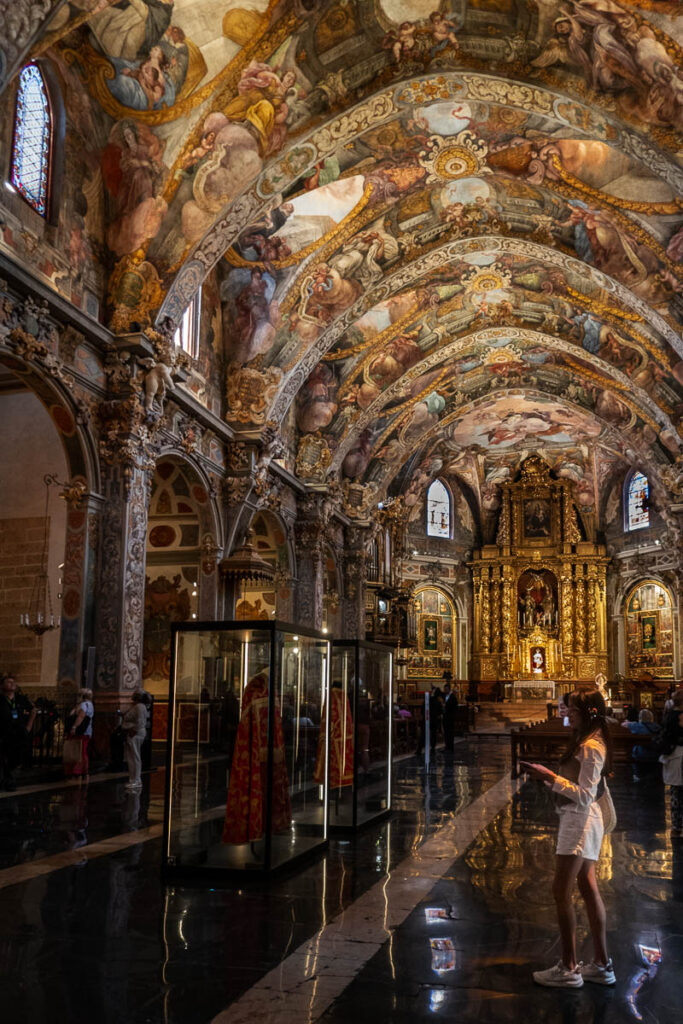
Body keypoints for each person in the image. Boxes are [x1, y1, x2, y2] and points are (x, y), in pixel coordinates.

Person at [523, 689, 615, 988]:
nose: (567, 712)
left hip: (580, 821)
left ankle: (569, 967)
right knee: (588, 888)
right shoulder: (591, 740)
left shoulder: (591, 746)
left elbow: (586, 796)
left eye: (572, 708)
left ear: (588, 712)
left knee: (560, 892)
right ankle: (601, 965)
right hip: (581, 821)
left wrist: (548, 776)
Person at [0, 674, 35, 789]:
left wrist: (28, 726)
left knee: (16, 758)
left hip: (19, 733)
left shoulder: (21, 699)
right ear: (2, 685)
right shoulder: (1, 699)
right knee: (4, 757)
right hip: (4, 733)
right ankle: (8, 782)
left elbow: (33, 710)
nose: (12, 683)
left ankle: (8, 779)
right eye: (9, 682)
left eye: (13, 681)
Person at [660, 689, 683, 838]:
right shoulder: (680, 717)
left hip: (672, 756)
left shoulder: (668, 716)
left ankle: (676, 827)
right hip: (680, 756)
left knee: (675, 792)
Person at [64, 688, 94, 778]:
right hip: (87, 731)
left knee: (78, 751)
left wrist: (74, 727)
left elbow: (80, 716)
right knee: (83, 751)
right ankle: (84, 770)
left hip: (80, 731)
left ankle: (77, 770)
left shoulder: (84, 705)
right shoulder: (90, 705)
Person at [122, 691, 147, 790]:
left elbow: (140, 721)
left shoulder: (139, 707)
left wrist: (134, 730)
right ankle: (133, 779)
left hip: (135, 733)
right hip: (134, 732)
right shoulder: (137, 706)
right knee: (132, 756)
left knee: (134, 756)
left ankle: (136, 780)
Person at [442, 680, 459, 753]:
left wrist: (446, 706)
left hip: (450, 718)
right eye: (444, 689)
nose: (445, 691)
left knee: (450, 733)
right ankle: (446, 747)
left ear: (449, 689)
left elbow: (455, 708)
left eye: (446, 689)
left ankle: (450, 748)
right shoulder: (444, 696)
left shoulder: (453, 698)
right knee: (446, 733)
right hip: (445, 717)